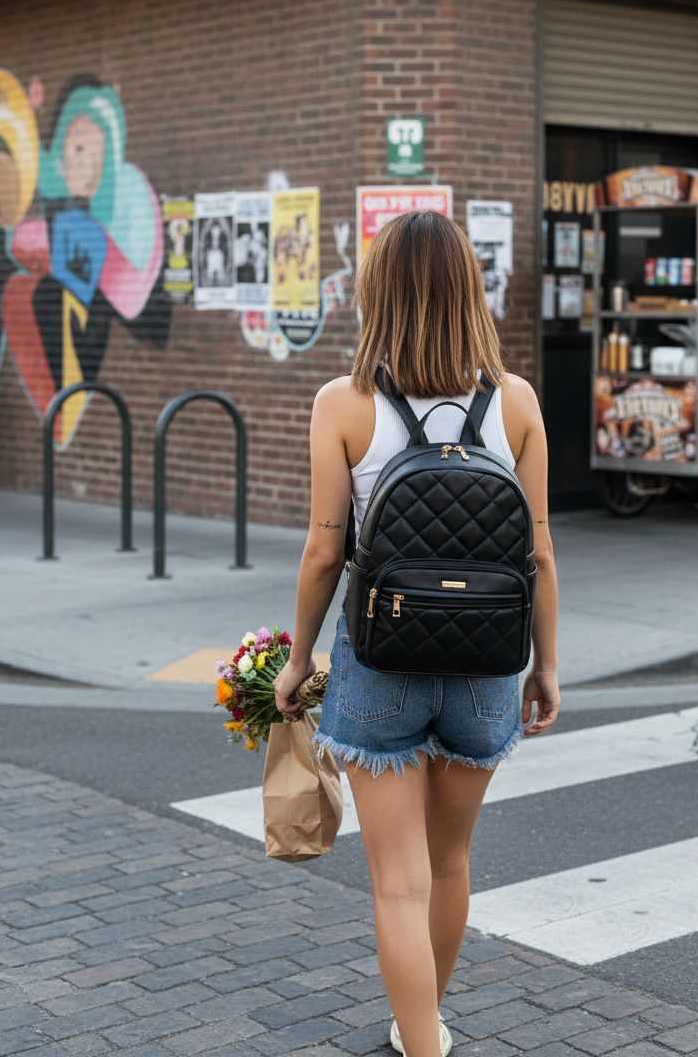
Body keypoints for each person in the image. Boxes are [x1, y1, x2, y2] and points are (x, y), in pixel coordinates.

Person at [274, 210, 560, 1057]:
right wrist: (547, 666)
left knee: (396, 885)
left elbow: (326, 552)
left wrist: (297, 660)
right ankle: (423, 1026)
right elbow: (538, 550)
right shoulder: (515, 402)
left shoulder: (344, 403)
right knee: (448, 865)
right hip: (486, 667)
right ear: (471, 290)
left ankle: (421, 1039)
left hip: (381, 663)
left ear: (377, 294)